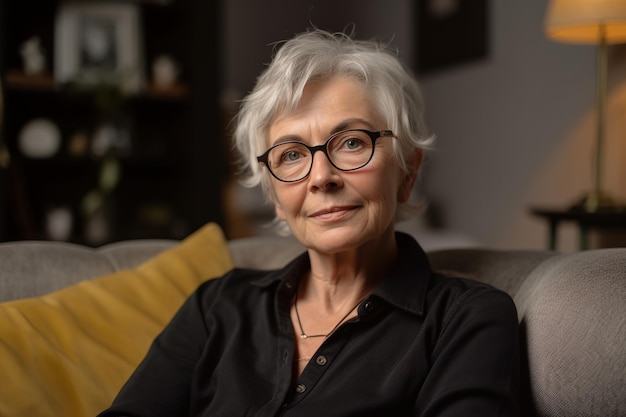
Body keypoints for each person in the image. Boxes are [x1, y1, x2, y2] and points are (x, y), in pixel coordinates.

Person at [99, 29, 520, 416]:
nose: (321, 178)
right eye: (291, 155)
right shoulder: (217, 307)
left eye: (352, 142)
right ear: (276, 199)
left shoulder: (466, 318)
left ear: (408, 171)